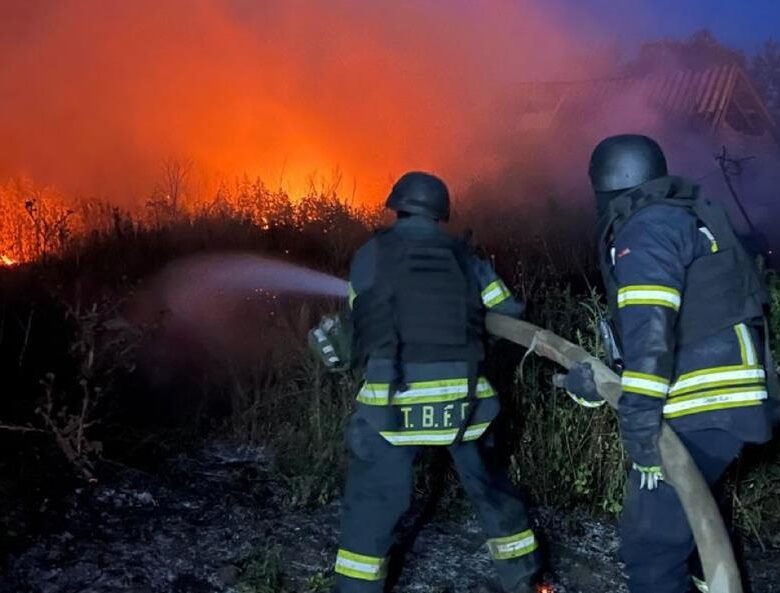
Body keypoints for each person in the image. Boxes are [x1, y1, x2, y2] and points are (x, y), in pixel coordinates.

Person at [557, 134, 777, 593]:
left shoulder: (645, 229)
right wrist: (600, 384)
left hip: (702, 404)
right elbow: (664, 336)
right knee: (697, 529)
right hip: (725, 400)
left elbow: (651, 334)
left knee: (652, 547)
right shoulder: (682, 218)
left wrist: (642, 437)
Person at [310, 171, 540, 593]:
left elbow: (362, 323)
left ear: (397, 206)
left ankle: (357, 589)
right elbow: (508, 312)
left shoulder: (370, 255)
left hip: (392, 405)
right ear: (440, 212)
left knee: (373, 503)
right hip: (465, 405)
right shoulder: (465, 258)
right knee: (490, 488)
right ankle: (522, 578)